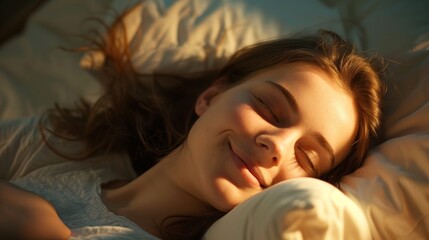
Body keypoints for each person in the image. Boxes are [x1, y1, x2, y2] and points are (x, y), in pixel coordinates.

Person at [0, 10, 384, 239]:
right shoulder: (62, 144)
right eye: (269, 109)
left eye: (307, 156)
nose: (277, 146)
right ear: (212, 95)